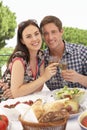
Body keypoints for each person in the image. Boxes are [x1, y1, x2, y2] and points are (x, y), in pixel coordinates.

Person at [0, 19, 58, 100]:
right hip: (6, 102)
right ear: (22, 41)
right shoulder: (19, 59)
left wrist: (21, 91)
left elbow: (38, 88)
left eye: (36, 34)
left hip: (23, 99)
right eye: (28, 36)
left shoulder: (40, 55)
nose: (34, 39)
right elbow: (16, 93)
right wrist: (44, 77)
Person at [40, 15, 87, 90]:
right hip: (54, 101)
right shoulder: (41, 58)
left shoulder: (81, 52)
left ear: (61, 32)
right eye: (46, 33)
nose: (50, 37)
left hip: (80, 101)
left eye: (53, 32)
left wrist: (79, 78)